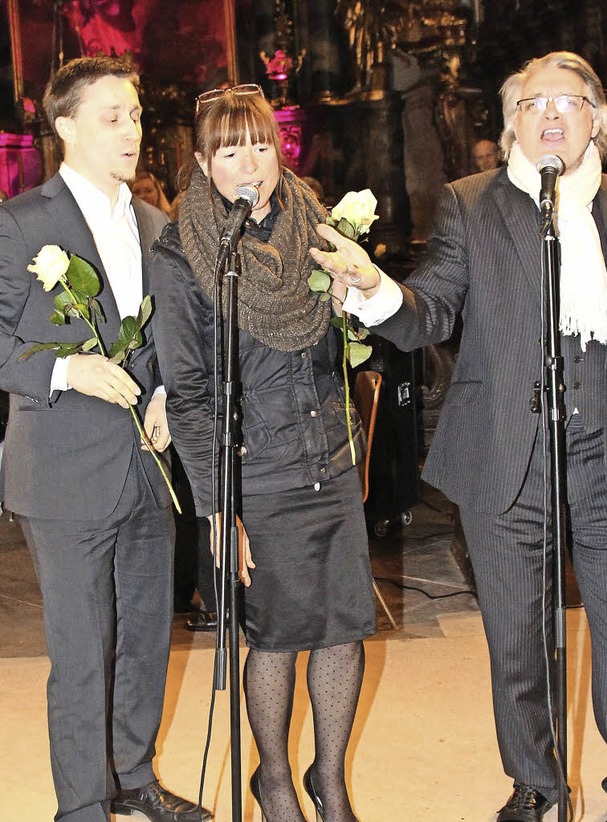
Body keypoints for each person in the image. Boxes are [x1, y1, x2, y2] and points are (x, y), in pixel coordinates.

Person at [310, 51, 607, 822]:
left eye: (568, 101)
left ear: (598, 118)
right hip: (505, 454)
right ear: (511, 124)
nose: (551, 115)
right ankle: (536, 785)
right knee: (519, 640)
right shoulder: (471, 203)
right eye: (533, 104)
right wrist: (375, 289)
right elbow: (433, 311)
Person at [149, 84, 376, 822]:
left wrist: (349, 299)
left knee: (343, 630)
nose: (247, 159)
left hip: (329, 459)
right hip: (257, 472)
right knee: (274, 638)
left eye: (257, 143)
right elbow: (187, 394)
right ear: (202, 160)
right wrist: (219, 507)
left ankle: (330, 782)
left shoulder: (318, 224)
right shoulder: (184, 254)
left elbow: (352, 339)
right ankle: (274, 782)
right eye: (227, 147)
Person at [0, 56, 211, 822]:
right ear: (64, 128)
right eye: (113, 116)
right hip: (62, 474)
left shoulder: (158, 226)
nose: (133, 130)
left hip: (146, 470)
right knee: (84, 652)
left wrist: (165, 396)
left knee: (147, 639)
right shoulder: (21, 223)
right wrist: (68, 372)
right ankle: (83, 804)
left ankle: (134, 778)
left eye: (136, 115)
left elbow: (172, 348)